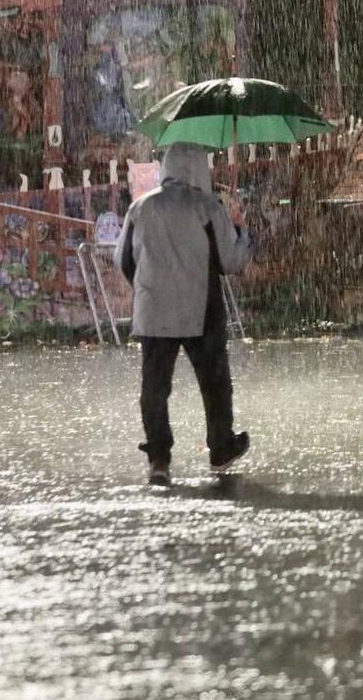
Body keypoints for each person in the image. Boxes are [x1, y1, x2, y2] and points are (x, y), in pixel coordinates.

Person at [114, 142, 252, 486]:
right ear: (198, 169)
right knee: (215, 381)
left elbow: (124, 261)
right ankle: (221, 446)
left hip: (153, 311)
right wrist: (241, 231)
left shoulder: (140, 208)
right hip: (200, 309)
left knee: (155, 386)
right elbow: (230, 262)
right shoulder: (208, 207)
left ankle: (159, 457)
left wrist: (148, 288)